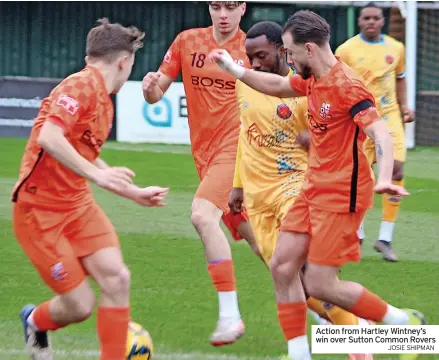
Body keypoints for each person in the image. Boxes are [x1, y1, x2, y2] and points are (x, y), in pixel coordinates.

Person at [208, 9, 424, 360]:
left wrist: (385, 178)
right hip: (313, 189)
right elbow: (277, 86)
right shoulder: (313, 80)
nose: (288, 59)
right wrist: (233, 69)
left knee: (321, 284)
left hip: (342, 195)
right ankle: (299, 354)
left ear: (309, 49)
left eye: (291, 52)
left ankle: (401, 323)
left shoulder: (347, 86)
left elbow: (380, 133)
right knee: (281, 267)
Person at [12, 19, 169, 360]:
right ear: (124, 61)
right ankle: (36, 321)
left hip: (77, 205)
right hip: (39, 210)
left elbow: (79, 151)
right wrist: (99, 178)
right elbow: (49, 138)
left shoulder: (104, 100)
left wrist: (132, 191)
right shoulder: (81, 85)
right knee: (80, 305)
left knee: (117, 279)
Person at [229, 20, 373, 360]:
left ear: (284, 50)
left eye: (261, 56)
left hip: (299, 187)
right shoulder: (248, 85)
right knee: (287, 276)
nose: (255, 64)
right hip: (257, 195)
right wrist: (237, 184)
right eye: (250, 58)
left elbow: (344, 143)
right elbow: (245, 134)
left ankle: (357, 341)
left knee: (306, 275)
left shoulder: (310, 89)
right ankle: (354, 332)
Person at [142, 1, 256, 346]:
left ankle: (229, 316)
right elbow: (157, 91)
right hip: (206, 157)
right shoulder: (187, 41)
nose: (223, 14)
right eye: (217, 6)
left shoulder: (252, 49)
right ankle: (346, 317)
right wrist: (150, 89)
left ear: (242, 9)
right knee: (271, 250)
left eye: (231, 6)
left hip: (238, 151)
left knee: (202, 216)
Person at [335, 2, 415, 262]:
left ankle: (385, 238)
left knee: (396, 170)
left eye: (375, 18)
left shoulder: (396, 48)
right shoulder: (345, 50)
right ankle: (357, 232)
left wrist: (404, 107)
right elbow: (336, 84)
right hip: (359, 120)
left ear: (382, 21)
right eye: (366, 18)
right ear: (360, 21)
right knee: (361, 179)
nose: (371, 22)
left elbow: (400, 78)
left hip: (389, 117)